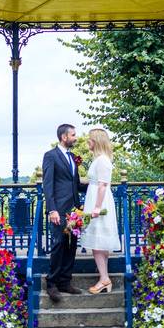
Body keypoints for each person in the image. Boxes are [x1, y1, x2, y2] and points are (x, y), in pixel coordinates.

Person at [41, 123, 88, 302]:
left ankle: (65, 282)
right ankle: (52, 283)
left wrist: (97, 185)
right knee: (59, 244)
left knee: (71, 245)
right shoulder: (50, 156)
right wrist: (52, 209)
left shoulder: (73, 157)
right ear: (64, 137)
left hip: (75, 209)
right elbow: (48, 184)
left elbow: (75, 184)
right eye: (73, 135)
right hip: (58, 210)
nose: (76, 138)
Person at [79, 128, 120, 294]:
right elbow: (93, 181)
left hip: (99, 202)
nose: (87, 142)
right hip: (95, 198)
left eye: (90, 139)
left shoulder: (102, 160)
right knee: (99, 241)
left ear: (96, 141)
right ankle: (104, 277)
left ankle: (104, 278)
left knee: (97, 242)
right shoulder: (99, 159)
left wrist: (96, 207)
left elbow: (103, 185)